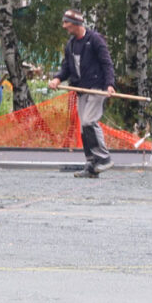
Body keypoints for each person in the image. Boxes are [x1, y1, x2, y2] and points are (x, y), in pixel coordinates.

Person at [47, 9, 115, 178]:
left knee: (89, 121)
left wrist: (110, 84)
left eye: (66, 23)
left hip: (97, 88)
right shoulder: (70, 45)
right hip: (81, 89)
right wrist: (57, 79)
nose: (64, 27)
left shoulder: (95, 40)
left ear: (76, 23)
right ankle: (92, 165)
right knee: (84, 129)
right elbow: (66, 68)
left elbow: (107, 63)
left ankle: (104, 158)